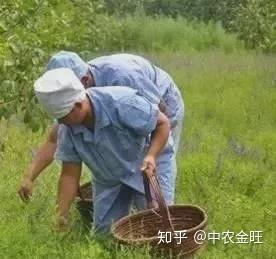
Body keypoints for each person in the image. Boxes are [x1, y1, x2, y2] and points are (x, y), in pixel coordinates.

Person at [19, 51, 183, 204]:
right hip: (138, 111)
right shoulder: (68, 96)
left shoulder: (122, 78)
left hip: (164, 102)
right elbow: (55, 138)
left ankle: (155, 208)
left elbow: (160, 118)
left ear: (84, 81)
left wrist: (151, 157)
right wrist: (29, 177)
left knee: (152, 165)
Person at [33, 68, 171, 234]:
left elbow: (162, 123)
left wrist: (151, 155)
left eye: (63, 117)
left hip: (147, 165)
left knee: (159, 226)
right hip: (109, 179)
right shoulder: (67, 128)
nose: (61, 123)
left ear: (78, 104)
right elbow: (69, 174)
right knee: (105, 236)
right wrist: (61, 214)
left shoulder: (122, 103)